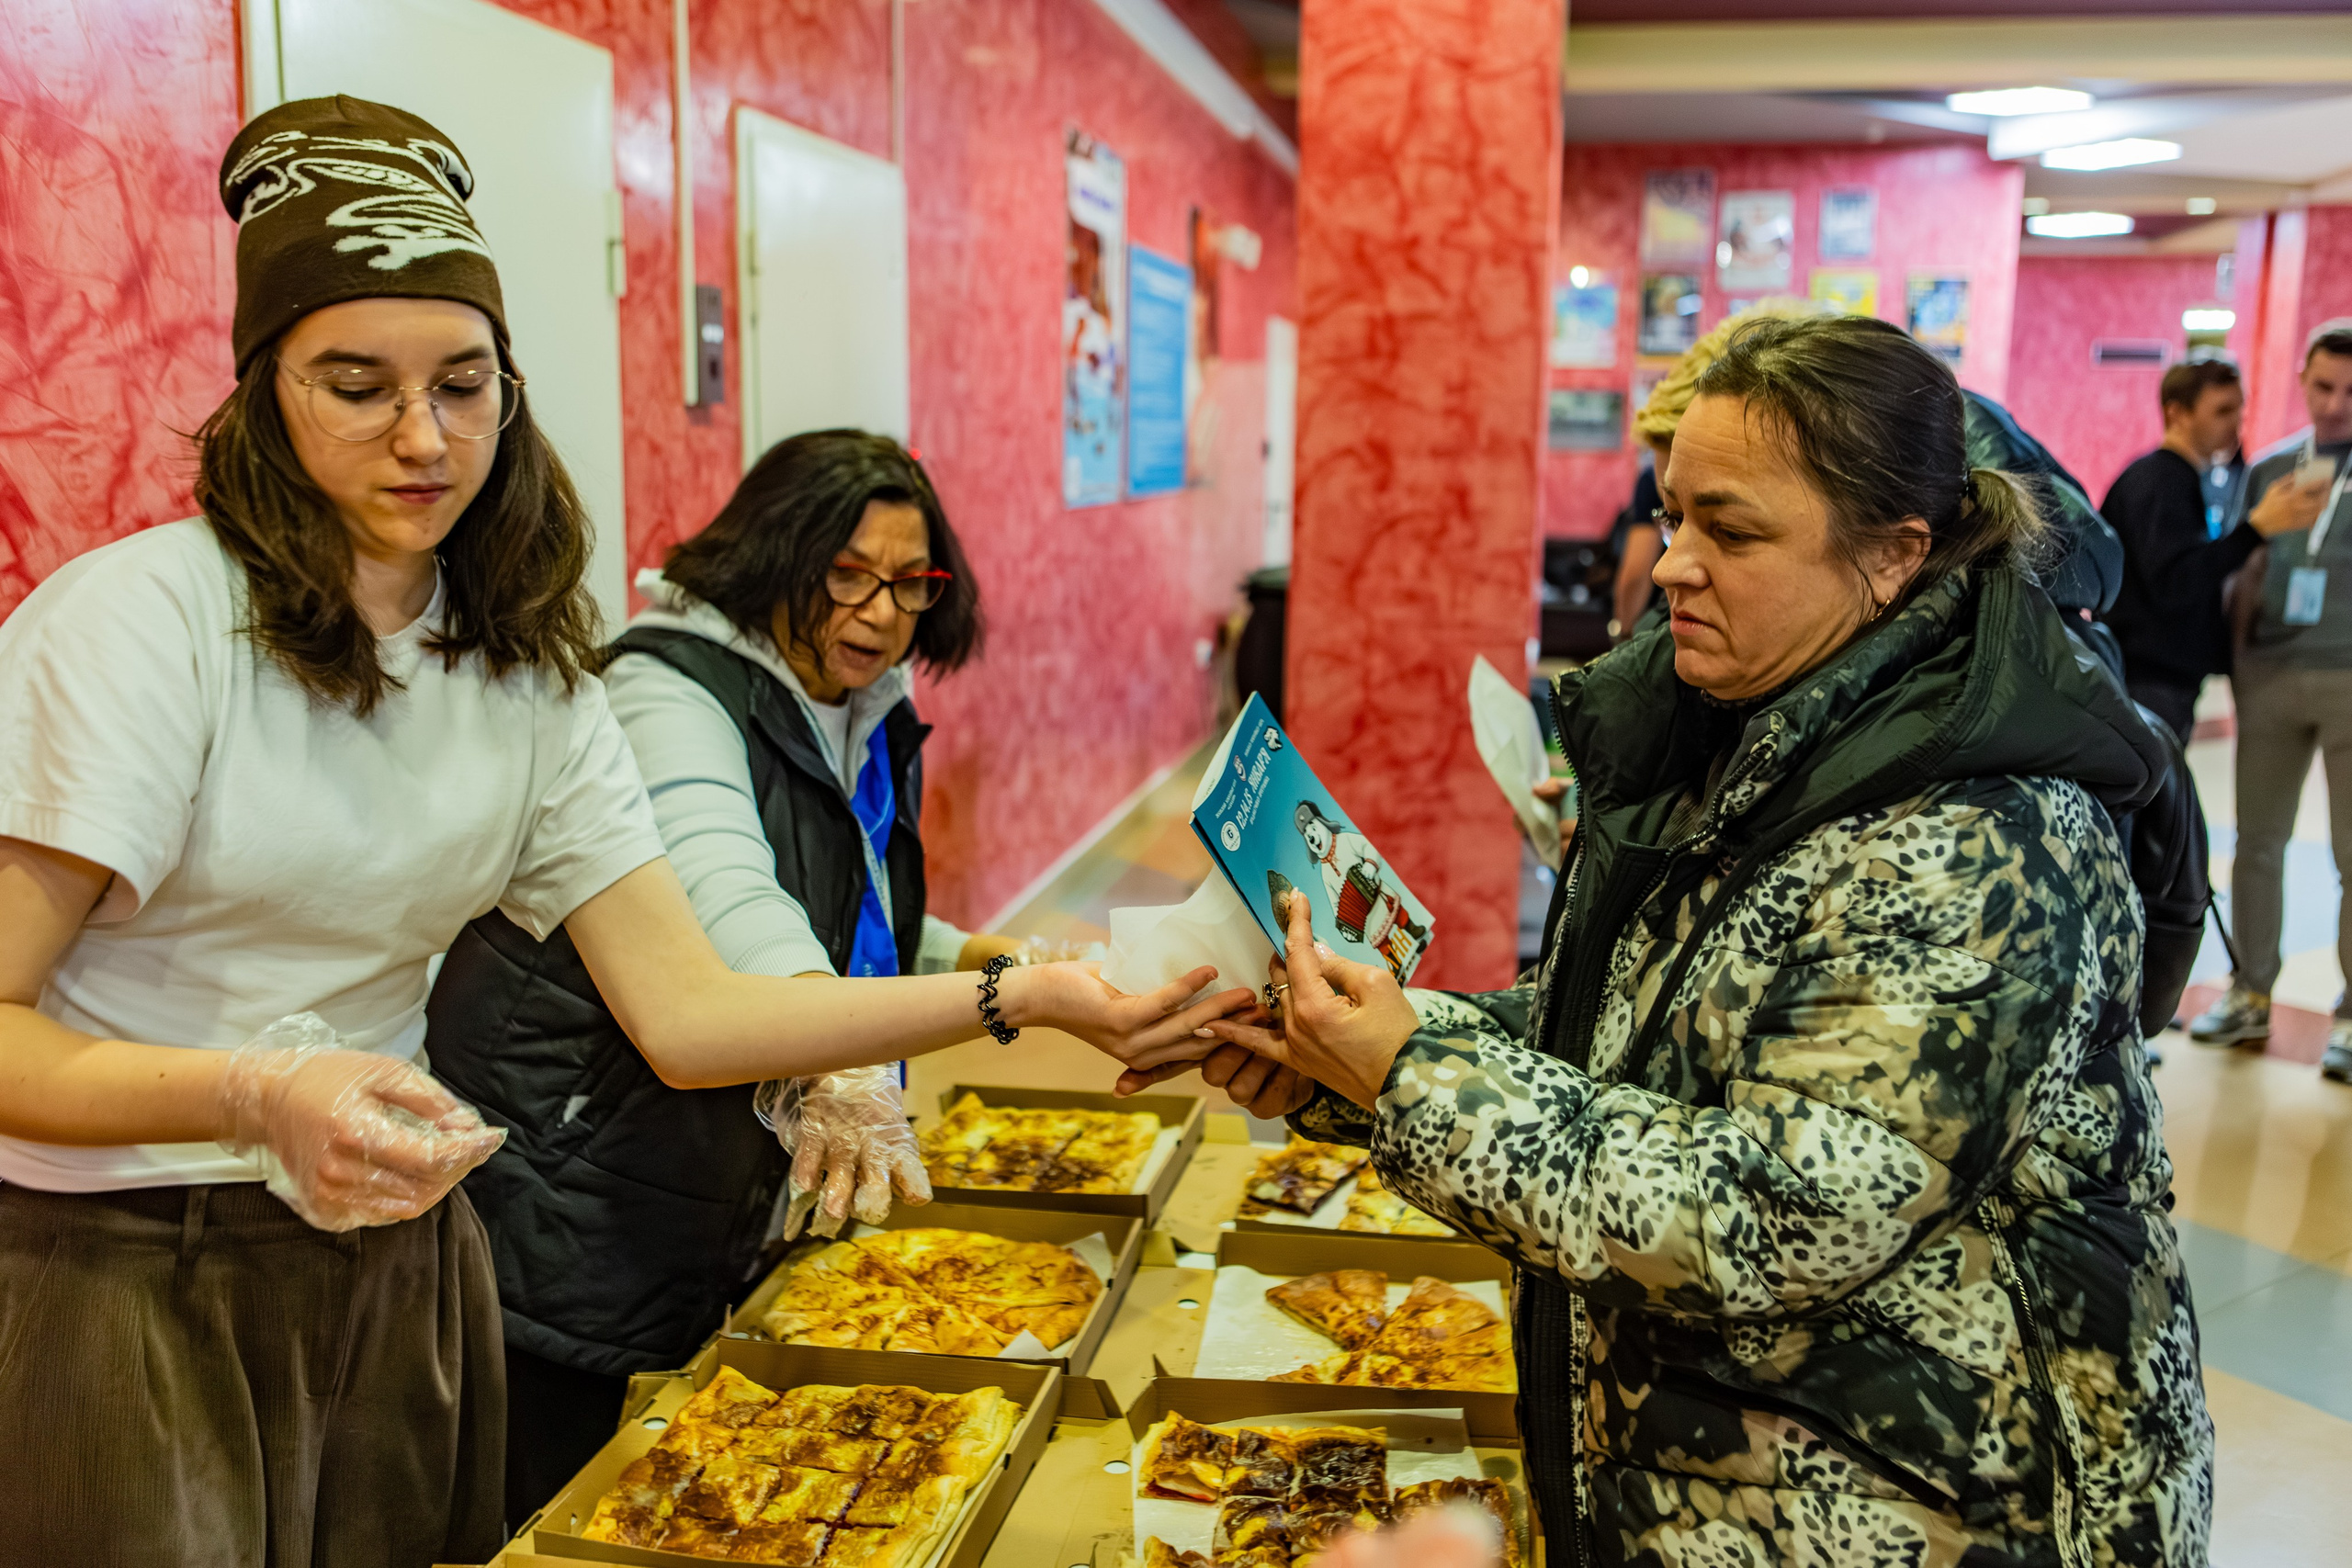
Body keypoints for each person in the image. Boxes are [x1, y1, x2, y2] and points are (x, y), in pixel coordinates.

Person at [0, 97, 1248, 1568]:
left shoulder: (520, 665)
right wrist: (252, 1089)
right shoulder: (142, 624)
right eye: (357, 385)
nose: (425, 436)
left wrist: (1016, 994)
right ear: (263, 394)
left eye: (464, 384)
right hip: (130, 1263)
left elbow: (693, 1008)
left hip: (403, 1253)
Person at [1155, 316, 2204, 1564]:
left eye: (1733, 528)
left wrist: (1404, 1070)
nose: (1669, 564)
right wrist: (1354, 1042)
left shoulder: (1980, 835)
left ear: (1894, 555)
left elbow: (1768, 1210)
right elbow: (1625, 1039)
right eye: (1673, 514)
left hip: (1933, 1512)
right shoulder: (1755, 734)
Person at [423, 428, 1032, 1521]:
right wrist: (852, 1058)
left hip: (694, 1171)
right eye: (846, 576)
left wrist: (984, 958)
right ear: (768, 559)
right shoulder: (665, 692)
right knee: (553, 1500)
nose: (883, 612)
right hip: (571, 1167)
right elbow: (733, 908)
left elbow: (839, 914)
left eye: (910, 583)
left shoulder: (855, 703)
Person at [2189, 321, 2352, 1077]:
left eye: (2351, 392)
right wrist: (2241, 666)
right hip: (2274, 678)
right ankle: (2251, 989)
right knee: (2257, 842)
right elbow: (2244, 570)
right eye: (2323, 386)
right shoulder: (2274, 469)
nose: (2336, 405)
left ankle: (2350, 1015)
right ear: (2302, 380)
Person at [2102, 358, 2299, 742]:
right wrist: (2257, 529)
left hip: (2157, 676)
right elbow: (2175, 582)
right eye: (2222, 411)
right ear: (2177, 413)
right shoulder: (2162, 482)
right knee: (2151, 798)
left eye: (2239, 410)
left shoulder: (2179, 479)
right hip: (2149, 678)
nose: (2235, 424)